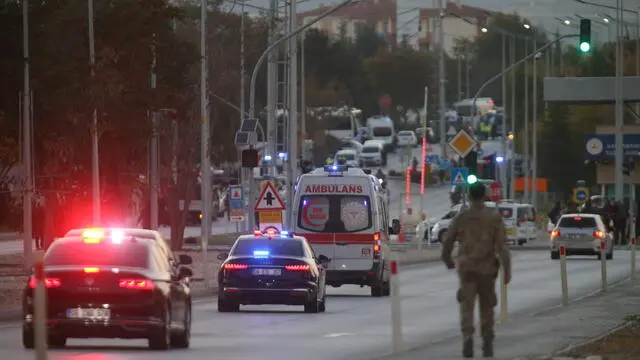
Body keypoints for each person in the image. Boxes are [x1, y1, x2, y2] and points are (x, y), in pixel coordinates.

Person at [441, 182, 512, 358]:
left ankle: (467, 337)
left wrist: (448, 260)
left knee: (467, 305)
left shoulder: (461, 217)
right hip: (487, 269)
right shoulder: (494, 218)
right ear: (484, 196)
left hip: (467, 269)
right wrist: (507, 269)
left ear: (470, 196)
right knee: (487, 306)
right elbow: (502, 246)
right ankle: (487, 338)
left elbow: (448, 241)